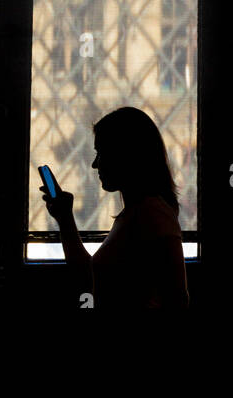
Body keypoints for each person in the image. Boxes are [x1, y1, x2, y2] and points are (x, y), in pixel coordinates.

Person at [39, 105, 190, 310]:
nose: (94, 164)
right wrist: (65, 218)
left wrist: (66, 220)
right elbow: (92, 275)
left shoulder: (151, 215)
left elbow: (177, 301)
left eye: (101, 153)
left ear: (125, 155)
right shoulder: (144, 213)